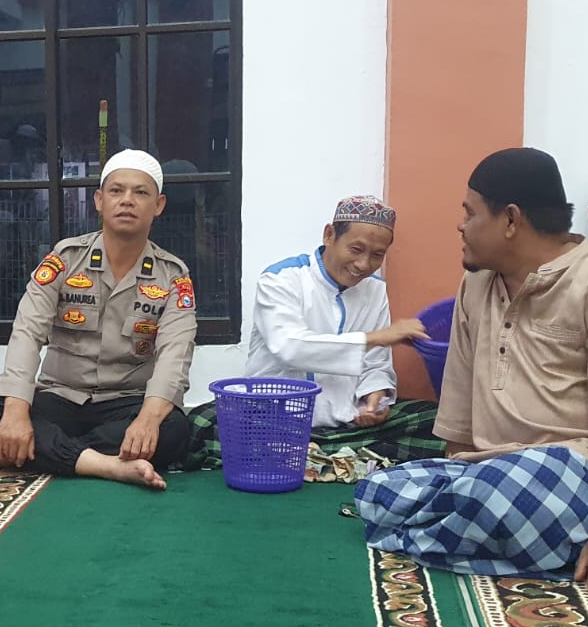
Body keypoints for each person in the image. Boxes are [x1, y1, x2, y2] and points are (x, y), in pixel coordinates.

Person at [355, 147, 588, 598]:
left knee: (501, 499)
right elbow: (459, 404)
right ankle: (549, 535)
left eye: (470, 213)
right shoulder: (477, 284)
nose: (461, 226)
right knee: (377, 493)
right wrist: (461, 479)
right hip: (497, 469)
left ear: (511, 220)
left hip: (580, 468)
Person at [0, 149, 195, 490]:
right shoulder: (65, 260)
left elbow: (175, 355)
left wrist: (149, 419)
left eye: (140, 192)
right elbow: (27, 332)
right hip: (60, 395)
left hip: (126, 400)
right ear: (99, 201)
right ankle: (108, 465)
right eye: (116, 190)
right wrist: (16, 411)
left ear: (159, 205)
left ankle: (34, 453)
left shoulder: (173, 276)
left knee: (172, 430)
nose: (127, 200)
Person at [187, 196, 437, 471]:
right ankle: (328, 455)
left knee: (434, 421)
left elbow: (376, 364)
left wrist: (375, 398)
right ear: (329, 235)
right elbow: (290, 347)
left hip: (348, 422)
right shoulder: (281, 279)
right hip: (274, 418)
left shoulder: (374, 289)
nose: (364, 264)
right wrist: (376, 338)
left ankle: (315, 454)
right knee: (200, 424)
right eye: (356, 249)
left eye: (377, 255)